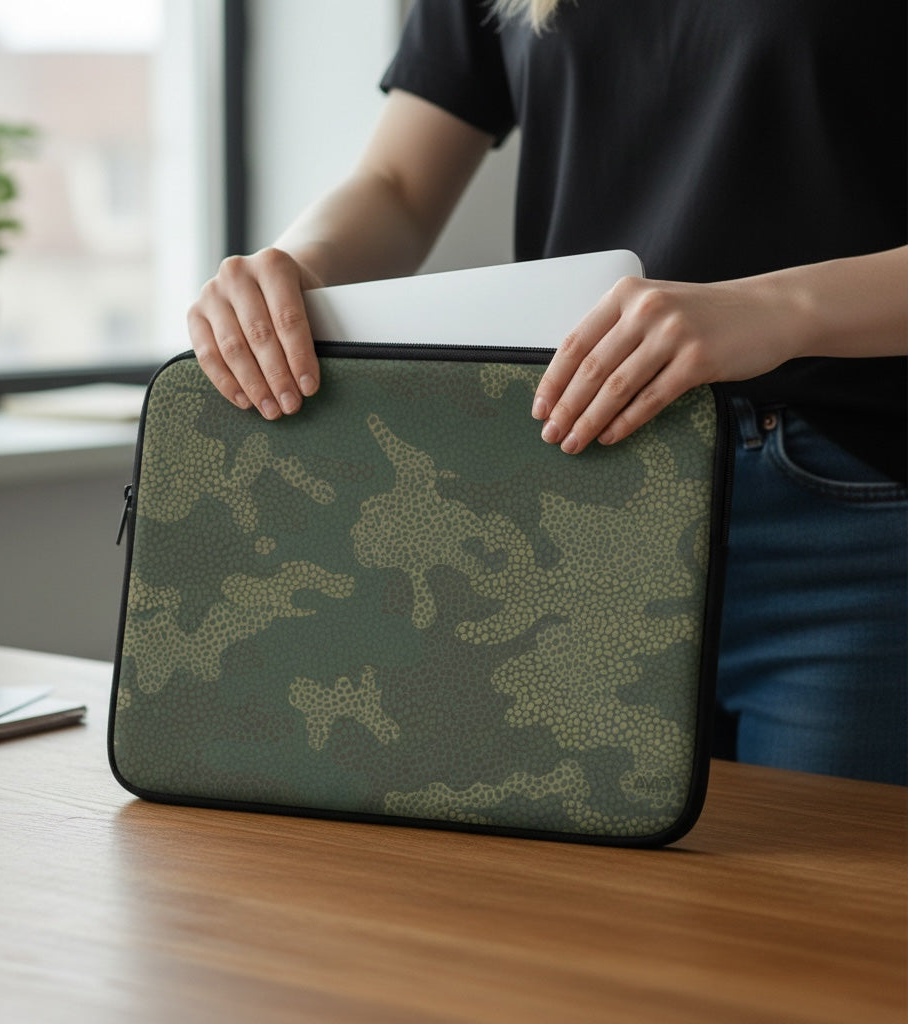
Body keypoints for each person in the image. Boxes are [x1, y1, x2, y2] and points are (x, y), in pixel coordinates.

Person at [188, 0, 907, 785]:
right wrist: (296, 268)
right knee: (569, 903)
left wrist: (781, 310)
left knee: (820, 902)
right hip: (582, 509)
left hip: (850, 523)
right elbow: (395, 184)